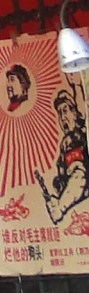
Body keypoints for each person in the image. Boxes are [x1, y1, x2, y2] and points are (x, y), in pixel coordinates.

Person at [37, 84, 89, 230]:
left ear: (75, 113)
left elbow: (79, 177)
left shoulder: (75, 139)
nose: (63, 117)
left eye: (66, 110)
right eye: (59, 113)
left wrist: (60, 206)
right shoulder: (68, 142)